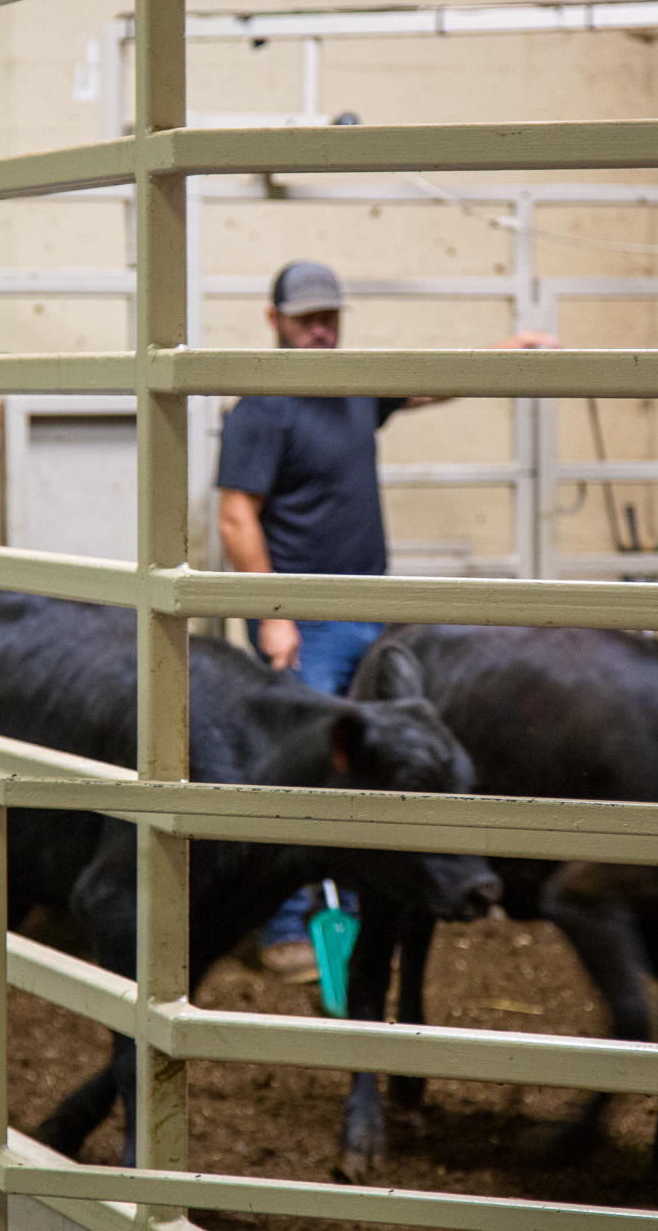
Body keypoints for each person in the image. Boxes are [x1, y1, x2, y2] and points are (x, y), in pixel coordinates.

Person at [217, 259, 556, 978]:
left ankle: (365, 899)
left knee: (369, 761)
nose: (320, 327)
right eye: (306, 316)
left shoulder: (354, 387)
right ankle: (282, 928)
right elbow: (235, 513)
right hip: (304, 617)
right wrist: (271, 611)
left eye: (329, 315)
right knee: (299, 767)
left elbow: (428, 382)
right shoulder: (261, 407)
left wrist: (509, 354)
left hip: (368, 611)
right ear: (273, 320)